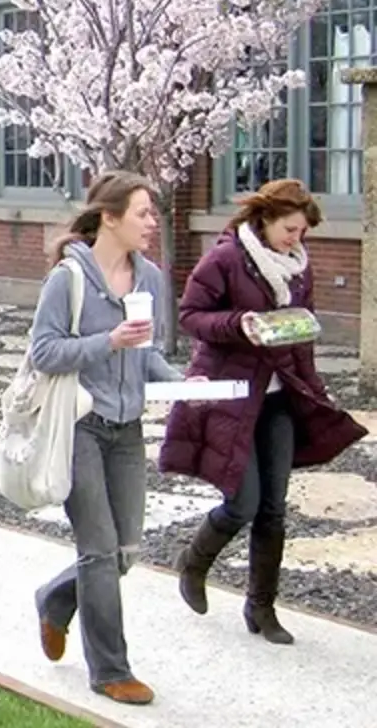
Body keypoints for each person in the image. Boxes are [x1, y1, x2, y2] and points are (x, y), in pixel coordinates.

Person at [159, 179, 367, 645]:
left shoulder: (298, 266)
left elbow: (302, 329)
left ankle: (261, 607)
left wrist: (312, 386)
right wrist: (240, 324)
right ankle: (194, 560)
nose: (297, 238)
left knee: (274, 510)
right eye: (290, 229)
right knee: (243, 502)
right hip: (231, 393)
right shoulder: (227, 258)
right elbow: (191, 314)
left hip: (280, 399)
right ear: (267, 220)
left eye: (301, 232)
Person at [31, 171, 186, 707]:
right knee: (97, 550)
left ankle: (53, 600)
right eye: (142, 213)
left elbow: (146, 355)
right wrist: (107, 341)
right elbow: (44, 352)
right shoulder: (68, 280)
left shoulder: (151, 279)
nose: (151, 223)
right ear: (110, 217)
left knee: (123, 551)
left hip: (128, 430)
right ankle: (111, 670)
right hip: (80, 426)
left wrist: (184, 386)